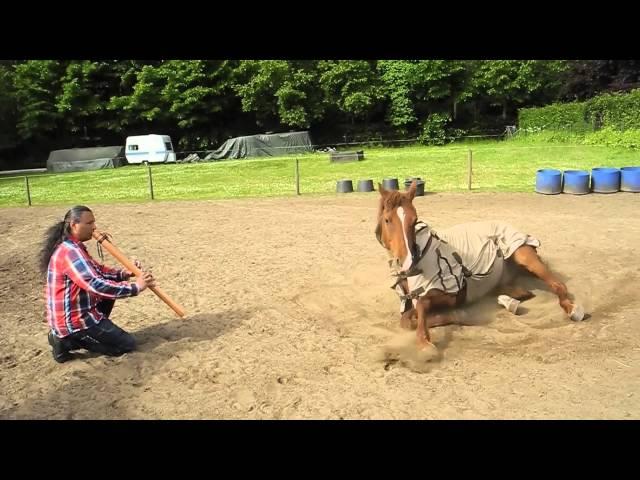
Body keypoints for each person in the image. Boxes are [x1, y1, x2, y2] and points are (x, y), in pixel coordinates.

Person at [39, 205, 155, 363]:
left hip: (77, 315)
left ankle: (72, 335)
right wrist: (136, 287)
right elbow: (96, 285)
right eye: (89, 223)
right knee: (127, 345)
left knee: (108, 293)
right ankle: (65, 340)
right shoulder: (70, 252)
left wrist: (125, 273)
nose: (94, 227)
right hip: (74, 322)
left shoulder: (74, 247)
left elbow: (98, 271)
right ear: (74, 225)